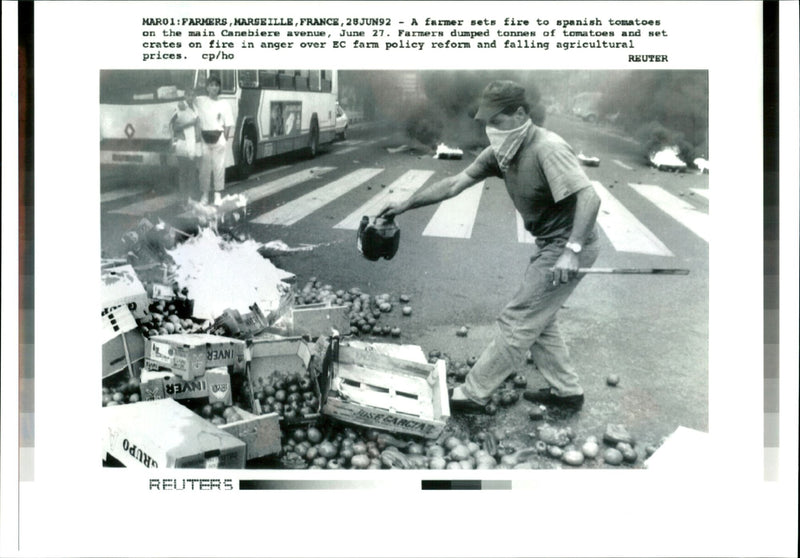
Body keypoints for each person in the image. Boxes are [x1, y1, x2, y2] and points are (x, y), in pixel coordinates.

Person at [379, 80, 602, 413]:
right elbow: (454, 184)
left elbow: (590, 197)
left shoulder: (547, 148)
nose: (491, 130)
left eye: (498, 121)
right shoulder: (502, 153)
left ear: (520, 114)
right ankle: (567, 391)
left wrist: (572, 251)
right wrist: (404, 205)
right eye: (487, 123)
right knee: (539, 318)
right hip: (550, 242)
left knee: (520, 317)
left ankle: (474, 392)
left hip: (570, 243)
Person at [195, 74, 234, 205]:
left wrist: (224, 138)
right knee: (204, 169)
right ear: (207, 87)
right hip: (204, 138)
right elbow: (188, 99)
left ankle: (217, 194)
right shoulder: (200, 101)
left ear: (219, 88)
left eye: (217, 85)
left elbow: (228, 123)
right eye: (211, 85)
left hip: (219, 138)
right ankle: (205, 195)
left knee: (219, 167)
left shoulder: (224, 104)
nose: (214, 88)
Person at [170, 87, 200, 206]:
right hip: (183, 143)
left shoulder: (196, 108)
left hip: (193, 144)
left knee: (192, 172)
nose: (190, 98)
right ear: (185, 96)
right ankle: (183, 198)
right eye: (188, 95)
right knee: (183, 172)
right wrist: (189, 123)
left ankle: (190, 197)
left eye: (193, 95)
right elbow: (174, 127)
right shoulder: (179, 108)